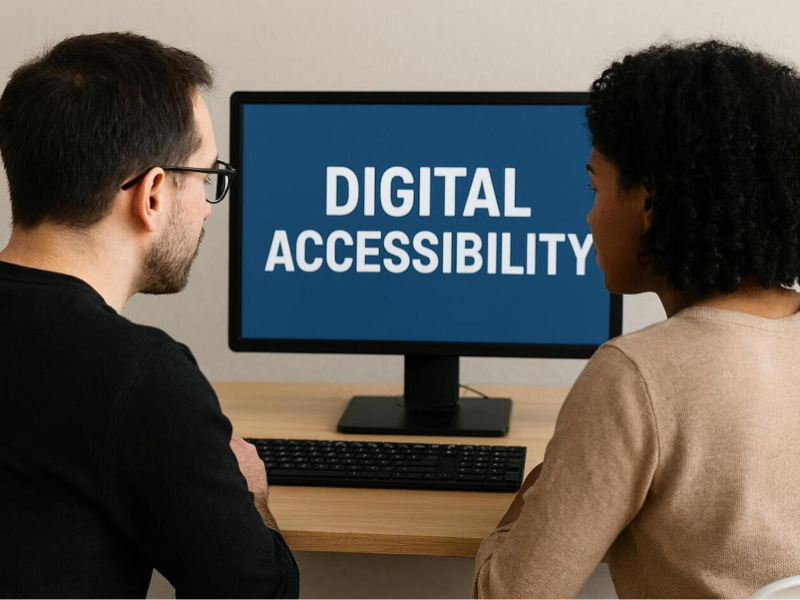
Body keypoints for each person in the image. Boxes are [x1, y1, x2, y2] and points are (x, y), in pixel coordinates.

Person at [472, 40, 800, 599]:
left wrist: (548, 483)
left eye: (594, 187)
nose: (588, 215)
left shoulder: (635, 377)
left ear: (650, 203)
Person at [0, 32, 299, 597]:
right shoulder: (140, 377)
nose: (209, 212)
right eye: (209, 178)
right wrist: (252, 493)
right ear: (154, 193)